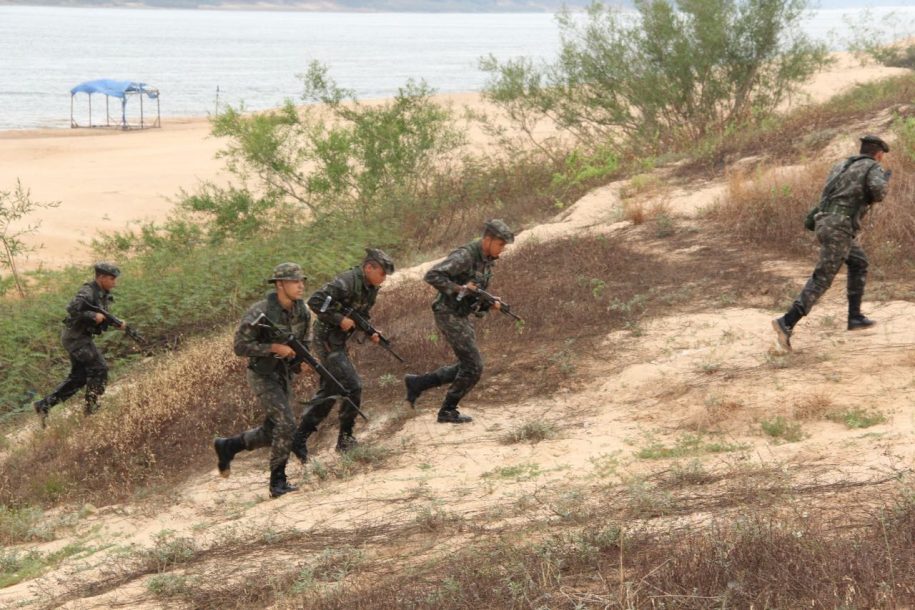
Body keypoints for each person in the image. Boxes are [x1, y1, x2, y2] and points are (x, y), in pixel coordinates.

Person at [773, 135, 892, 351]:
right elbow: (878, 193)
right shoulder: (873, 166)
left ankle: (854, 316)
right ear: (878, 154)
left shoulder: (841, 165)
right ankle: (787, 322)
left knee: (859, 262)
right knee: (823, 278)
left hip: (827, 222)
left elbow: (828, 194)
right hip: (840, 227)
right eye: (882, 156)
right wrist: (884, 180)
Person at [404, 219, 515, 423]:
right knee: (474, 366)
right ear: (487, 239)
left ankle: (418, 383)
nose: (502, 249)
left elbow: (474, 293)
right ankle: (447, 410)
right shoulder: (465, 255)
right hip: (447, 313)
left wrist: (489, 302)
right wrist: (461, 289)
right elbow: (432, 275)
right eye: (500, 244)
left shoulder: (486, 260)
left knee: (467, 364)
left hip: (460, 314)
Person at [213, 263, 309, 498]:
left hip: (283, 374)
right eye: (294, 281)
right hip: (262, 374)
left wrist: (303, 360)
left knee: (273, 430)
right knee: (286, 424)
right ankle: (278, 482)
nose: (300, 285)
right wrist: (273, 347)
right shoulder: (260, 311)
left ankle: (229, 446)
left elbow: (305, 340)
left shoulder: (302, 311)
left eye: (301, 281)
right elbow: (240, 346)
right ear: (279, 284)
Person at [291, 248, 395, 462]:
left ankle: (299, 438)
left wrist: (371, 332)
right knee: (352, 385)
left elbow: (360, 316)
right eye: (382, 273)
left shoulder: (371, 288)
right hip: (327, 339)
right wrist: (339, 319)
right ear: (369, 267)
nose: (384, 278)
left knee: (331, 390)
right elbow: (316, 301)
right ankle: (345, 440)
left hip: (339, 341)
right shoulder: (347, 281)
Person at [33, 262, 126, 425]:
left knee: (79, 377)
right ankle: (91, 408)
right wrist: (92, 315)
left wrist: (116, 323)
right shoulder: (88, 291)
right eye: (112, 279)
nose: (115, 282)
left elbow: (102, 316)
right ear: (101, 277)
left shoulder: (103, 293)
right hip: (76, 338)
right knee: (99, 369)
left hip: (79, 337)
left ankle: (44, 405)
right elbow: (72, 308)